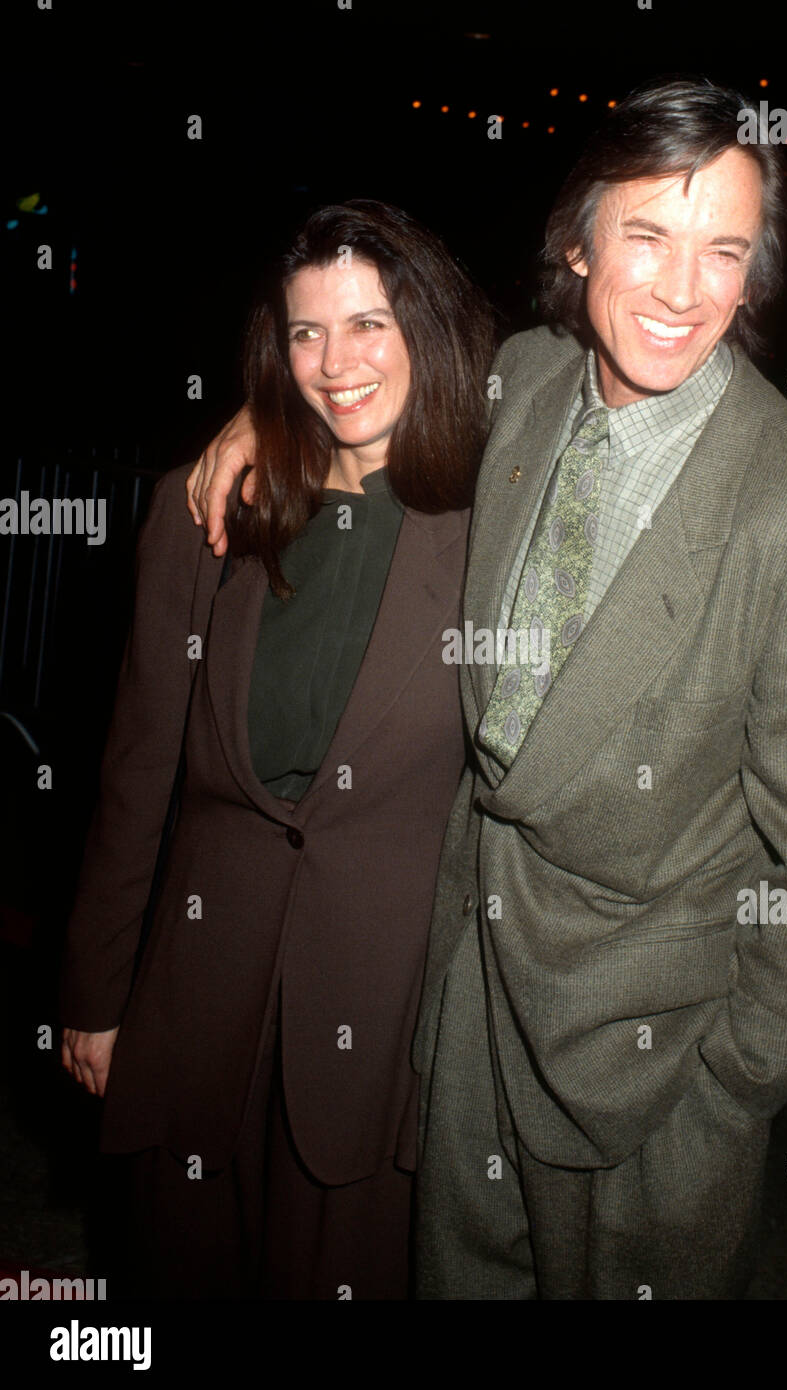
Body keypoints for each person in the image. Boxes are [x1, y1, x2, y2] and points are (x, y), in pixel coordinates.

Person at [187, 79, 787, 1300]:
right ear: (578, 241)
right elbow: (357, 392)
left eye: (721, 251)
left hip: (650, 1070)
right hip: (464, 1002)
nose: (681, 291)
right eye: (646, 236)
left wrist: (722, 1093)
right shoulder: (521, 379)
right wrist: (265, 428)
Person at [60, 199, 494, 1299]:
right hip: (195, 1002)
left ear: (427, 332)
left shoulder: (496, 531)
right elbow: (135, 774)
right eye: (306, 332)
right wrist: (96, 993)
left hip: (377, 1025)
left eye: (370, 323)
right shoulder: (206, 512)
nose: (335, 361)